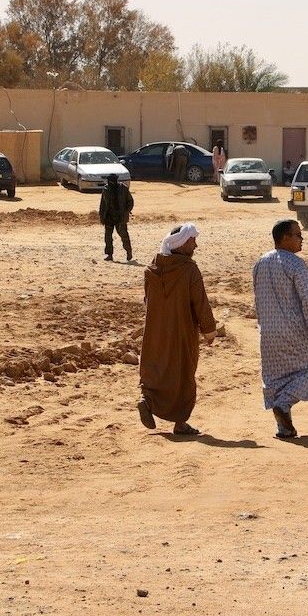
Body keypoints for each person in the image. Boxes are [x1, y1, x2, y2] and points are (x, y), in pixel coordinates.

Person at [137, 223, 217, 436]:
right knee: (182, 373)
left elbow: (148, 300)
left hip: (155, 330)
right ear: (182, 244)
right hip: (182, 331)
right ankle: (180, 422)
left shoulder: (150, 269)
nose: (196, 245)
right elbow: (200, 302)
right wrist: (209, 330)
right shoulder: (189, 269)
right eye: (192, 241)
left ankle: (146, 400)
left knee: (155, 366)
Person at [252, 219, 308, 439]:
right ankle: (283, 405)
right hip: (294, 330)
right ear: (285, 238)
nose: (302, 239)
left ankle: (284, 428)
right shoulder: (295, 264)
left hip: (268, 333)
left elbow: (257, 299)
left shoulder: (260, 263)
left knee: (275, 378)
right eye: (298, 235)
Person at [98, 174, 133, 262]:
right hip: (109, 217)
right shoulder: (106, 190)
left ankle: (128, 252)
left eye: (112, 181)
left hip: (120, 217)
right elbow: (103, 204)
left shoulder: (123, 189)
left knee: (124, 235)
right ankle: (109, 254)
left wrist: (126, 212)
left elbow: (130, 201)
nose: (111, 183)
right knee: (108, 237)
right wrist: (102, 216)